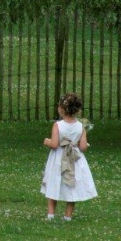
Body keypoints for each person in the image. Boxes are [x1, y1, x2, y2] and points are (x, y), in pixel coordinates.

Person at [41, 92, 97, 221]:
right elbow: (83, 147)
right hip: (74, 158)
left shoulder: (58, 125)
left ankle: (51, 214)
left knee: (55, 182)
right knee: (72, 184)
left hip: (59, 158)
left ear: (61, 108)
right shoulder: (81, 126)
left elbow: (54, 144)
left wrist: (46, 141)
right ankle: (67, 216)